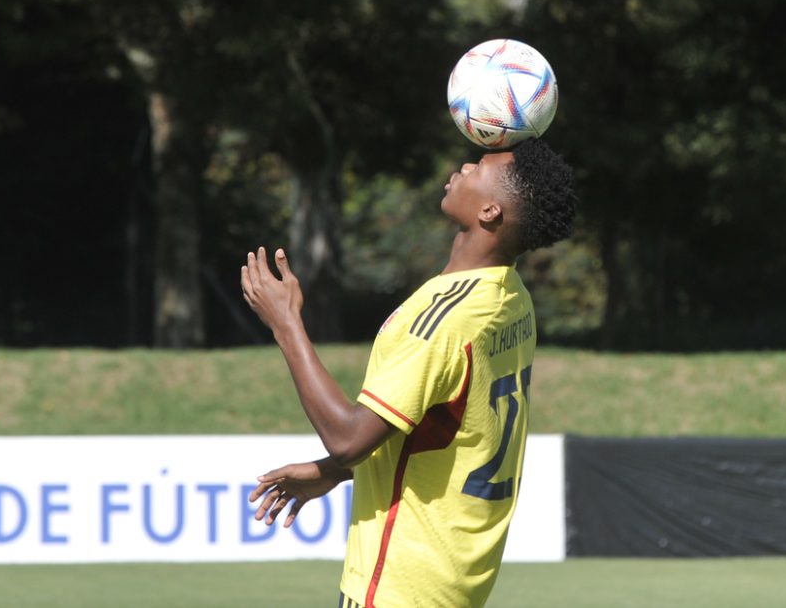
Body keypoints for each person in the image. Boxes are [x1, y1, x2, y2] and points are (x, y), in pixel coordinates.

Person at [240, 138, 576, 608]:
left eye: (480, 167)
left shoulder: (442, 320)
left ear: (490, 212)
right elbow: (446, 430)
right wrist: (336, 473)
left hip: (398, 588)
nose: (464, 166)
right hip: (452, 588)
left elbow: (348, 437)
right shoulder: (512, 300)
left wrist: (286, 324)